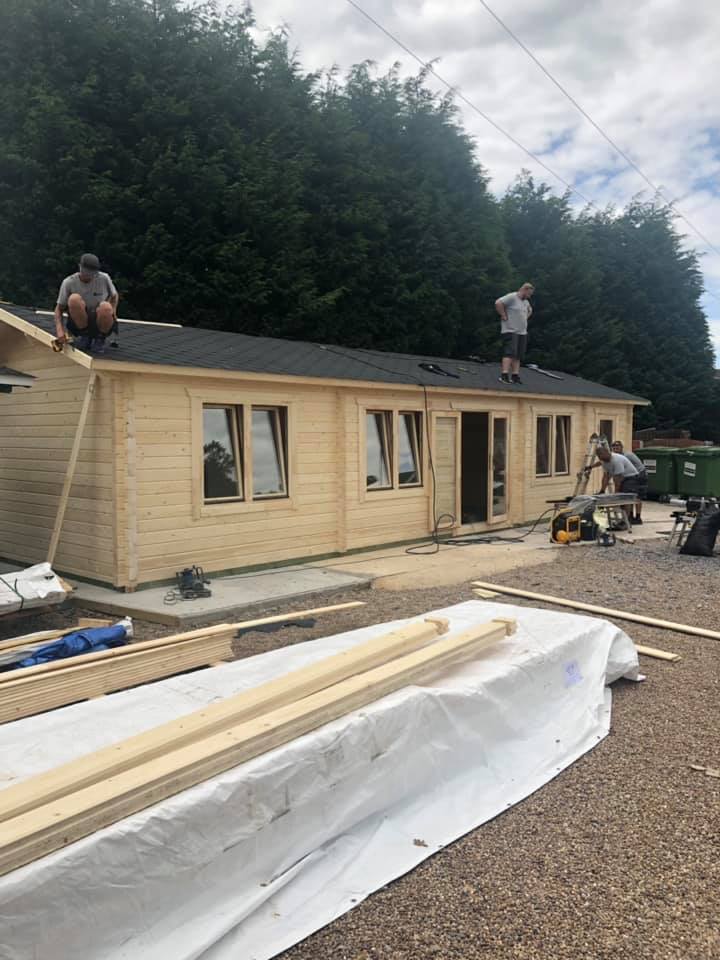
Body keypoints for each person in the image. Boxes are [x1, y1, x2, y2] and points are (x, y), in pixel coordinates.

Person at [54, 253, 119, 354]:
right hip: (79, 323)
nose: (88, 276)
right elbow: (59, 309)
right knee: (74, 299)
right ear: (80, 267)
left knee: (106, 306)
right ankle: (84, 336)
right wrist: (60, 331)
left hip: (99, 321)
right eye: (85, 273)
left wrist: (113, 310)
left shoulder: (104, 278)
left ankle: (100, 339)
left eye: (91, 274)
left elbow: (114, 296)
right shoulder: (69, 282)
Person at [494, 282, 534, 384]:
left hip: (522, 332)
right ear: (524, 290)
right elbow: (498, 303)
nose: (529, 296)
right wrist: (503, 315)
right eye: (528, 294)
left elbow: (530, 310)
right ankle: (504, 375)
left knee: (518, 354)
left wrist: (525, 317)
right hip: (510, 330)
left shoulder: (525, 302)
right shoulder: (512, 297)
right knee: (509, 352)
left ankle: (515, 375)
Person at [595, 445, 641, 528]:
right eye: (599, 457)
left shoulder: (616, 460)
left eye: (602, 456)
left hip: (630, 477)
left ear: (607, 453)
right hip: (622, 478)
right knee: (620, 498)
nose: (601, 458)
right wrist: (602, 490)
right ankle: (621, 519)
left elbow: (618, 479)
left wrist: (616, 493)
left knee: (625, 498)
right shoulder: (604, 462)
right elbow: (606, 476)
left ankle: (626, 520)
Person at [611, 441, 647, 524]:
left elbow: (628, 470)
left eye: (617, 447)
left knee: (637, 496)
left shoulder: (627, 456)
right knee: (629, 496)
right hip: (630, 476)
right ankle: (630, 516)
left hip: (640, 474)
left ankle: (638, 518)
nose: (616, 449)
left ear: (621, 448)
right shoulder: (616, 457)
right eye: (614, 448)